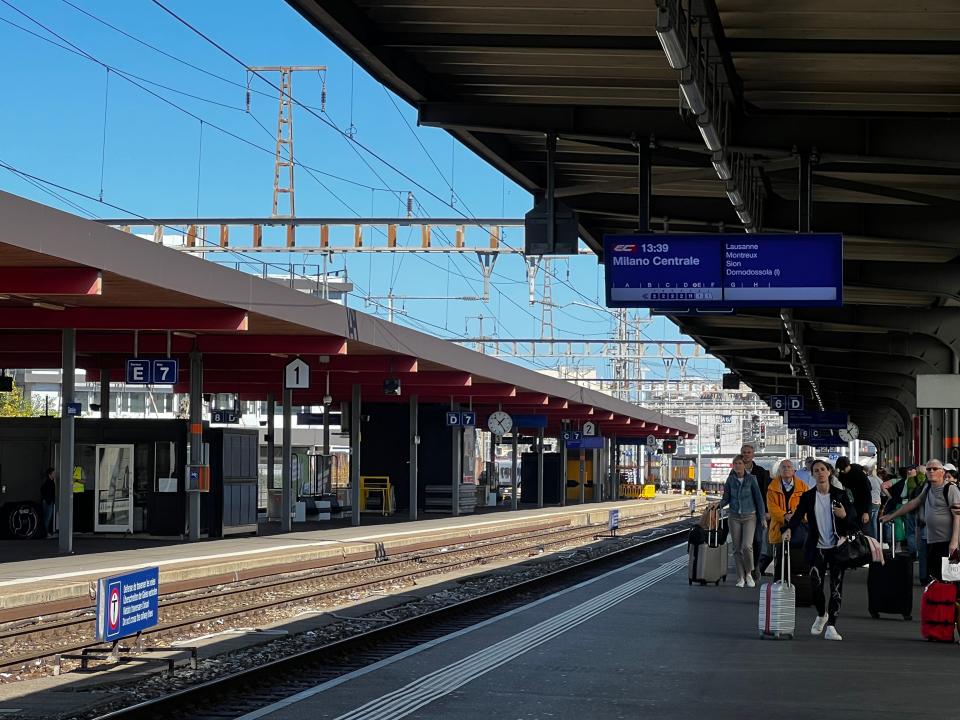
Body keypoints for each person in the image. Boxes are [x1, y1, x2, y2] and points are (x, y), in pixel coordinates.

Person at [784, 459, 858, 641]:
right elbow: (798, 515)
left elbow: (853, 522)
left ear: (829, 472)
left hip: (837, 547)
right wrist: (787, 529)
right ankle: (821, 613)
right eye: (816, 471)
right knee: (815, 585)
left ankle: (832, 625)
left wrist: (844, 515)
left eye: (823, 469)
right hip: (816, 547)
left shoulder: (841, 495)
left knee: (836, 587)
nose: (820, 473)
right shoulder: (808, 497)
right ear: (813, 475)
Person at [881, 459, 960, 583]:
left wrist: (954, 542)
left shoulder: (951, 489)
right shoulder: (928, 487)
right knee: (936, 578)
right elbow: (915, 502)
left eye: (935, 469)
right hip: (932, 540)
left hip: (947, 542)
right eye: (928, 469)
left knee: (949, 579)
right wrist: (891, 516)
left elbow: (957, 516)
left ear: (942, 472)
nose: (931, 471)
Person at [718, 454, 766, 588]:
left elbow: (759, 500)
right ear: (733, 466)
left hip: (750, 516)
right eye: (735, 464)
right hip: (734, 517)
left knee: (747, 546)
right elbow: (726, 498)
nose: (738, 466)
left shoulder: (752, 479)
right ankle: (740, 577)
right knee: (736, 548)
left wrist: (762, 517)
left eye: (740, 463)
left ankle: (749, 574)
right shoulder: (730, 480)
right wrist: (717, 506)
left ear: (744, 465)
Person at [766, 458, 809, 578]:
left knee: (797, 558)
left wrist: (796, 516)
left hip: (798, 528)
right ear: (779, 470)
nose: (786, 469)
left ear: (793, 470)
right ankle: (779, 584)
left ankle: (795, 584)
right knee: (779, 560)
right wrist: (784, 516)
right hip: (779, 527)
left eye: (789, 467)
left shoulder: (803, 487)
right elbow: (772, 507)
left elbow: (808, 506)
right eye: (783, 467)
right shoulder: (772, 487)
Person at [741, 443, 772, 578]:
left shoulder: (761, 472)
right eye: (744, 452)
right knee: (745, 543)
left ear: (753, 455)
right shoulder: (735, 470)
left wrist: (767, 510)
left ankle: (756, 565)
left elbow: (767, 493)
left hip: (758, 512)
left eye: (749, 452)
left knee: (758, 540)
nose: (746, 455)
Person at [835, 457, 871, 531]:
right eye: (840, 469)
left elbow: (867, 493)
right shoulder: (842, 475)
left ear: (848, 465)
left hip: (861, 506)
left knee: (861, 529)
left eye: (843, 469)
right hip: (849, 506)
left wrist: (866, 512)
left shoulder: (860, 474)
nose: (842, 471)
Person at [866, 464, 883, 540]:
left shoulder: (867, 479)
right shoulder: (879, 480)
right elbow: (883, 492)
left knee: (869, 522)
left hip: (871, 501)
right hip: (878, 502)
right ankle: (875, 539)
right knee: (874, 522)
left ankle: (870, 539)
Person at [40, 467, 56, 538]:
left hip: (48, 501)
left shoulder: (51, 482)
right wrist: (47, 500)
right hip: (48, 502)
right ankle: (45, 533)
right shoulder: (48, 482)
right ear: (50, 475)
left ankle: (46, 533)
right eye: (53, 473)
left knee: (47, 518)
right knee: (47, 518)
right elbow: (43, 490)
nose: (54, 474)